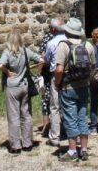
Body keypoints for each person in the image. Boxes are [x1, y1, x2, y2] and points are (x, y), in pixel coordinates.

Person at [53, 17, 97, 162]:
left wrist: (57, 83)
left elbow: (59, 69)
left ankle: (72, 151)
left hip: (68, 87)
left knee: (70, 119)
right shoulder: (88, 45)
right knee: (83, 117)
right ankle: (84, 149)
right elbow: (93, 67)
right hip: (84, 87)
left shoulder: (63, 45)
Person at [0, 28, 44, 154]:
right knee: (26, 115)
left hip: (12, 88)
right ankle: (28, 143)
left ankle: (16, 145)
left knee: (13, 117)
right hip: (24, 86)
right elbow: (41, 59)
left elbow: (0, 65)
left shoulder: (7, 53)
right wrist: (37, 72)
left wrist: (7, 72)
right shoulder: (25, 51)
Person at [42, 17, 65, 146]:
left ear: (53, 29)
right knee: (69, 104)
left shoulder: (52, 43)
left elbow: (47, 59)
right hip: (70, 76)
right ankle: (70, 132)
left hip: (56, 75)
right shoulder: (69, 39)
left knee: (55, 106)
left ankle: (55, 137)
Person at [38, 18, 60, 136]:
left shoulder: (48, 39)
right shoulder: (65, 37)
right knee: (58, 100)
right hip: (61, 73)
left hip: (50, 73)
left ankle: (47, 127)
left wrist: (39, 73)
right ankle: (54, 126)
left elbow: (43, 58)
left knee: (47, 99)